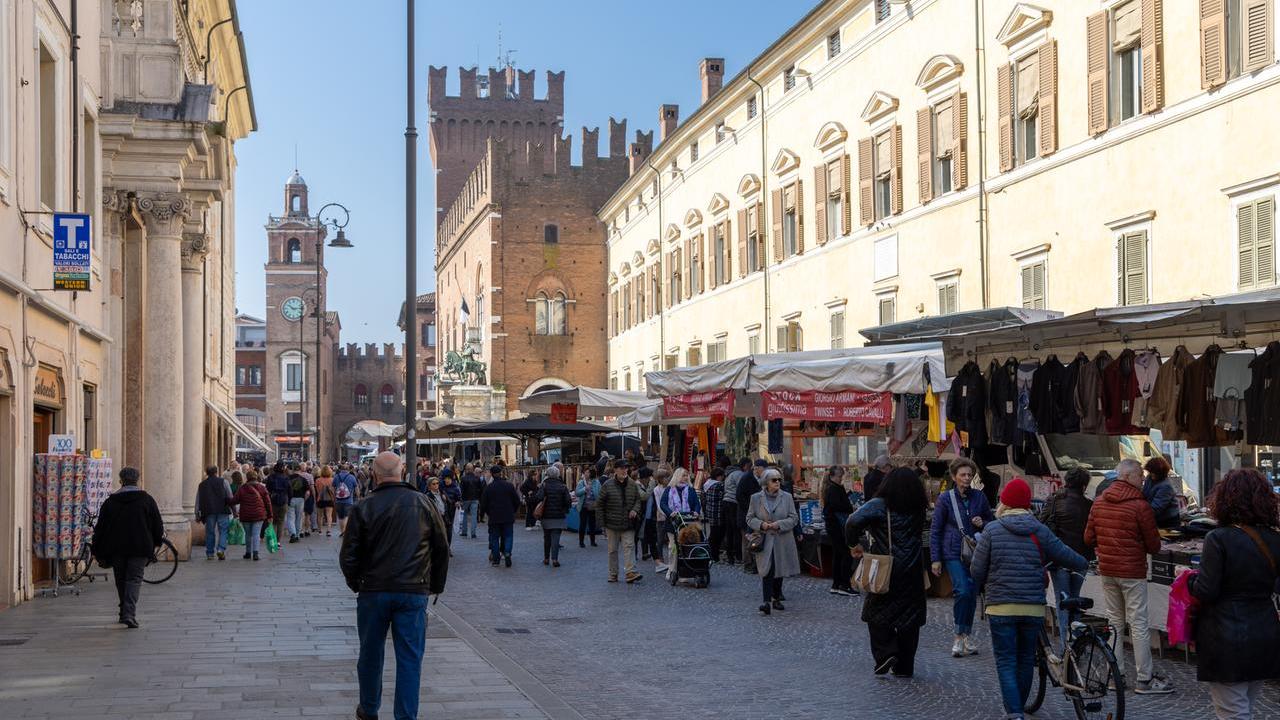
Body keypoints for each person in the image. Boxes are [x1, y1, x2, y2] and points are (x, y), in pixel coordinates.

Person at [340, 451, 449, 720]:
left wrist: (357, 583)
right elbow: (441, 548)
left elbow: (348, 554)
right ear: (403, 472)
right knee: (410, 659)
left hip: (373, 591)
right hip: (413, 590)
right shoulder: (423, 503)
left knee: (370, 653)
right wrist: (434, 585)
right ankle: (405, 715)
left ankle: (368, 708)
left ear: (375, 475)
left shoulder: (364, 506)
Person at [971, 478, 1087, 720]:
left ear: (1004, 502)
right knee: (1025, 659)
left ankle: (1014, 712)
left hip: (1001, 606)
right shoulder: (1039, 530)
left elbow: (976, 570)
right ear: (1026, 504)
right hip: (1033, 607)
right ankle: (1019, 707)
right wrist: (1085, 563)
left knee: (1005, 661)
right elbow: (1068, 556)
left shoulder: (992, 531)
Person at [1188, 468, 1280, 720]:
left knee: (1234, 712)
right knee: (1244, 706)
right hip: (1264, 630)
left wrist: (1188, 580)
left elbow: (1206, 590)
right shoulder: (1274, 538)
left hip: (1225, 634)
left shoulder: (1218, 538)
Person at [1084, 458, 1172, 695]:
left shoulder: (1099, 502)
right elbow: (1154, 545)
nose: (1143, 481)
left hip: (1108, 570)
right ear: (1127, 477)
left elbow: (1088, 538)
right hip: (1132, 572)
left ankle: (1116, 676)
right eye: (1139, 477)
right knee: (1139, 623)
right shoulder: (1139, 505)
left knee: (1114, 622)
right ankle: (1144, 679)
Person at [844, 467, 929, 678]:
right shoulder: (919, 506)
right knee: (910, 619)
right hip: (914, 569)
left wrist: (853, 544)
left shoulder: (880, 505)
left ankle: (886, 653)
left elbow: (852, 521)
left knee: (876, 613)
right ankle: (905, 666)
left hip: (886, 567)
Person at [929, 457, 994, 657]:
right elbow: (936, 529)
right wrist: (935, 558)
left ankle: (966, 635)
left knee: (972, 594)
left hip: (975, 553)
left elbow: (992, 522)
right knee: (962, 591)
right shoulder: (945, 499)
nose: (966, 478)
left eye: (969, 475)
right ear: (954, 476)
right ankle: (958, 635)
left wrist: (982, 522)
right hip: (953, 552)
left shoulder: (980, 497)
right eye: (963, 474)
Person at [91, 467, 164, 628]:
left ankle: (125, 610)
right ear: (137, 479)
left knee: (121, 579)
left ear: (121, 480)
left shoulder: (110, 502)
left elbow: (100, 528)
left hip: (117, 548)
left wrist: (96, 549)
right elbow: (157, 524)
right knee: (134, 579)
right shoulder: (147, 500)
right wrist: (157, 541)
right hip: (140, 547)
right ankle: (129, 613)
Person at [1038, 467, 1094, 651]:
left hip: (1059, 559)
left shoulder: (1054, 501)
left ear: (1066, 482)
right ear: (1084, 485)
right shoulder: (1089, 505)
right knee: (1075, 600)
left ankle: (1065, 646)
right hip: (1081, 559)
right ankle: (1076, 642)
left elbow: (1040, 525)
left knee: (1063, 602)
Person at [746, 468, 800, 615]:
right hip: (765, 539)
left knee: (779, 569)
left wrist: (780, 524)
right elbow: (750, 518)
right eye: (774, 480)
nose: (777, 483)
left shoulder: (787, 497)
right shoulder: (756, 498)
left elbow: (794, 518)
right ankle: (766, 602)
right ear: (766, 482)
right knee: (767, 570)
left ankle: (776, 597)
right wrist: (762, 525)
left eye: (779, 480)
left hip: (782, 539)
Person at [596, 459, 644, 583]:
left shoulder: (633, 484)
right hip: (611, 523)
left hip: (628, 523)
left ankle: (630, 572)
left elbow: (638, 500)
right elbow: (599, 504)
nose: (625, 470)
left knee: (629, 546)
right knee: (612, 550)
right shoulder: (607, 484)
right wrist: (602, 524)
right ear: (616, 470)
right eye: (622, 468)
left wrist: (635, 510)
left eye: (626, 468)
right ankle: (613, 574)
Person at [661, 468, 702, 579]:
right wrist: (670, 513)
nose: (686, 477)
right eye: (683, 475)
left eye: (687, 475)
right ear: (677, 476)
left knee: (687, 546)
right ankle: (672, 569)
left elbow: (697, 504)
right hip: (673, 523)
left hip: (688, 523)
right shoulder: (669, 489)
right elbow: (663, 503)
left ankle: (686, 570)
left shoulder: (691, 490)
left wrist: (696, 512)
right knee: (673, 547)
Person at [822, 466, 856, 596]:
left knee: (838, 554)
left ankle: (836, 584)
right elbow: (840, 506)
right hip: (837, 526)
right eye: (839, 476)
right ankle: (844, 585)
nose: (841, 479)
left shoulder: (831, 488)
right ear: (832, 476)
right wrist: (849, 506)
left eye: (841, 476)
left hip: (834, 526)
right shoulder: (834, 489)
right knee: (845, 554)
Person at [479, 464, 521, 567]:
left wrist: (482, 515)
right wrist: (513, 511)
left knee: (494, 538)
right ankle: (507, 552)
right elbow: (517, 501)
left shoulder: (489, 488)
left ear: (492, 475)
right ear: (501, 473)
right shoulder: (509, 486)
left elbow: (483, 503)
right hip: (507, 516)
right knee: (508, 536)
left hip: (494, 516)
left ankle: (496, 559)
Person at [535, 466, 573, 567]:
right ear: (558, 475)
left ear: (547, 474)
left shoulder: (544, 485)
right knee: (556, 538)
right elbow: (568, 501)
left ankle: (546, 558)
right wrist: (565, 509)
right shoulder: (563, 486)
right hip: (559, 516)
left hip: (546, 516)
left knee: (547, 538)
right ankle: (555, 559)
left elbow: (538, 497)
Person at [195, 465, 235, 561]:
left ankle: (210, 553)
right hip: (222, 509)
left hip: (208, 511)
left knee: (210, 532)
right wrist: (234, 510)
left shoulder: (202, 484)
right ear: (216, 472)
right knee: (223, 530)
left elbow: (198, 500)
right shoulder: (223, 482)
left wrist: (197, 513)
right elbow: (230, 496)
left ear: (206, 472)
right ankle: (221, 549)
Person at [233, 469, 273, 560]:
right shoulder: (262, 487)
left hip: (246, 514)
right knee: (256, 534)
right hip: (259, 515)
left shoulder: (242, 488)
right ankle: (255, 553)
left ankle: (248, 552)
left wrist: (226, 500)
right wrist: (270, 515)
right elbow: (268, 502)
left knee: (248, 534)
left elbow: (235, 500)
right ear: (256, 477)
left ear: (247, 477)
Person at [736, 460, 765, 574]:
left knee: (755, 538)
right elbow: (739, 495)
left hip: (756, 515)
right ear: (757, 468)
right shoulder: (746, 478)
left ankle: (755, 563)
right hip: (745, 514)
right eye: (763, 469)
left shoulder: (759, 479)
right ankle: (748, 564)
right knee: (746, 539)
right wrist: (749, 509)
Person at [721, 458, 749, 565]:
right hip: (733, 503)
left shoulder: (729, 474)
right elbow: (741, 489)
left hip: (726, 501)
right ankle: (737, 555)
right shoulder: (738, 474)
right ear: (745, 466)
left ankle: (730, 556)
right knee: (736, 530)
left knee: (729, 530)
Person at [1142, 457, 1181, 529]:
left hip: (1168, 521)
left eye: (1154, 473)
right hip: (1156, 517)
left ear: (1161, 473)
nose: (1152, 475)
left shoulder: (1166, 486)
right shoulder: (1149, 478)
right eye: (1150, 472)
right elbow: (1144, 494)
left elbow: (1156, 508)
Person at [701, 467, 726, 562]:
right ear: (718, 476)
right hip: (718, 512)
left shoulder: (706, 484)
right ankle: (714, 555)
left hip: (709, 511)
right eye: (722, 476)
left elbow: (703, 499)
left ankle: (710, 554)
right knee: (717, 535)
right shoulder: (719, 485)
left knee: (712, 534)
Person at [575, 466, 602, 548]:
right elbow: (577, 493)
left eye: (589, 472)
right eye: (587, 472)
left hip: (593, 506)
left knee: (592, 524)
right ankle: (581, 542)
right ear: (584, 473)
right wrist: (584, 489)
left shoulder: (597, 482)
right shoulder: (581, 482)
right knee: (582, 524)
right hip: (584, 507)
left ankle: (593, 541)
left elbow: (600, 493)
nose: (588, 474)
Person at [265, 462, 291, 542]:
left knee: (273, 521)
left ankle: (273, 539)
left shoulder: (270, 477)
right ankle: (278, 541)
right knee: (281, 521)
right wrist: (289, 500)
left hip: (273, 501)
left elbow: (267, 490)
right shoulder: (286, 478)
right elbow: (290, 490)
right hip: (283, 500)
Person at [286, 463, 310, 543]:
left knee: (290, 518)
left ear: (293, 470)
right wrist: (304, 499)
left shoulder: (288, 478)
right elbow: (307, 493)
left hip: (291, 499)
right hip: (300, 499)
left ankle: (292, 533)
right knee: (299, 518)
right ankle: (297, 535)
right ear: (299, 469)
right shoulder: (303, 479)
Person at [459, 463, 484, 539]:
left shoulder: (463, 478)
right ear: (473, 469)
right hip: (475, 498)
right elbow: (480, 489)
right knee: (474, 516)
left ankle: (464, 532)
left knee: (465, 515)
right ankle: (473, 533)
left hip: (465, 499)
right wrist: (479, 498)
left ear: (466, 469)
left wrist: (461, 499)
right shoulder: (477, 478)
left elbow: (461, 490)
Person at [333, 463, 358, 535]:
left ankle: (342, 531)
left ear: (341, 469)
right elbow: (356, 488)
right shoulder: (352, 477)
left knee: (340, 517)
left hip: (338, 500)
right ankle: (345, 531)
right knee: (346, 516)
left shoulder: (336, 476)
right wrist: (358, 496)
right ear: (348, 470)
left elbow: (333, 487)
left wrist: (334, 495)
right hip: (348, 500)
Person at [440, 471, 462, 545]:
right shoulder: (440, 487)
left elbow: (459, 498)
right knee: (442, 531)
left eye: (449, 478)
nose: (447, 480)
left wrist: (458, 502)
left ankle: (448, 547)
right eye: (446, 478)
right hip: (441, 512)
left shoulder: (455, 488)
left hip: (450, 512)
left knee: (449, 531)